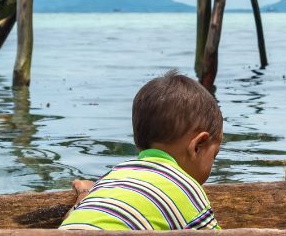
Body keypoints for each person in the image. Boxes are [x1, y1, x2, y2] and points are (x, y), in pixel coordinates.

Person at [60, 71, 223, 230]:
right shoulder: (189, 191)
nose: (213, 163)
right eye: (214, 155)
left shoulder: (115, 174)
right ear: (197, 146)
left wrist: (85, 195)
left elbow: (73, 222)